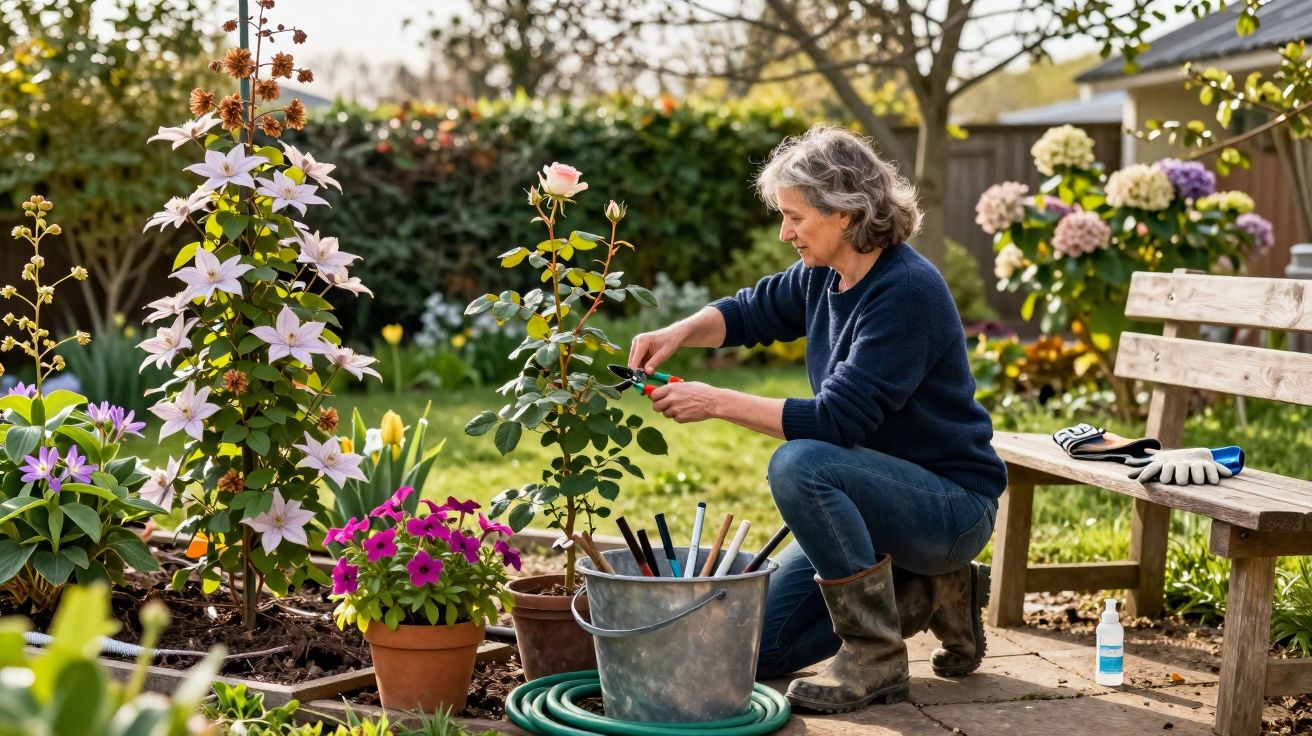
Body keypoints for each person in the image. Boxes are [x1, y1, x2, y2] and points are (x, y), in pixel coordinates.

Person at [626, 125, 1008, 714]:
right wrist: (677, 332)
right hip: (870, 510)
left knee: (801, 465)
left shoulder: (907, 291)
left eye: (795, 217)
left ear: (847, 214)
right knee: (759, 648)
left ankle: (876, 656)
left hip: (948, 508)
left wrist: (715, 401)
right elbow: (749, 312)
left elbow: (835, 421)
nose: (785, 232)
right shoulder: (823, 277)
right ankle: (926, 591)